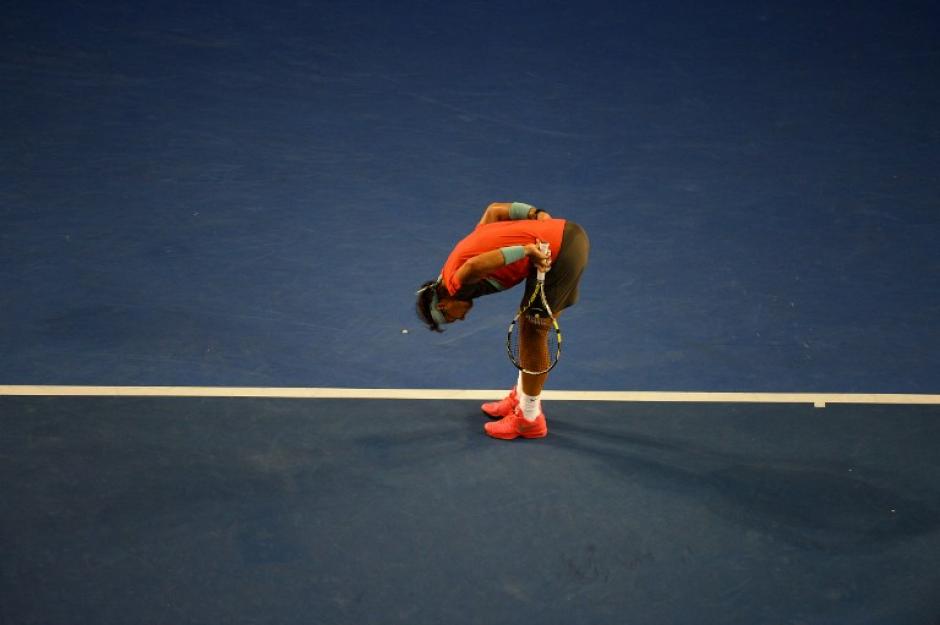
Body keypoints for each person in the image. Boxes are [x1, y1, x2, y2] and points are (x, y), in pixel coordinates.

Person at [415, 202, 590, 440]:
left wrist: (527, 251)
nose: (461, 318)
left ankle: (529, 418)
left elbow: (474, 265)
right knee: (529, 327)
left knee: (534, 332)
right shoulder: (448, 273)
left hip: (560, 252)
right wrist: (535, 214)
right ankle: (521, 396)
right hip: (564, 238)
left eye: (451, 318)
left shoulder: (456, 284)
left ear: (443, 305)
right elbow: (494, 210)